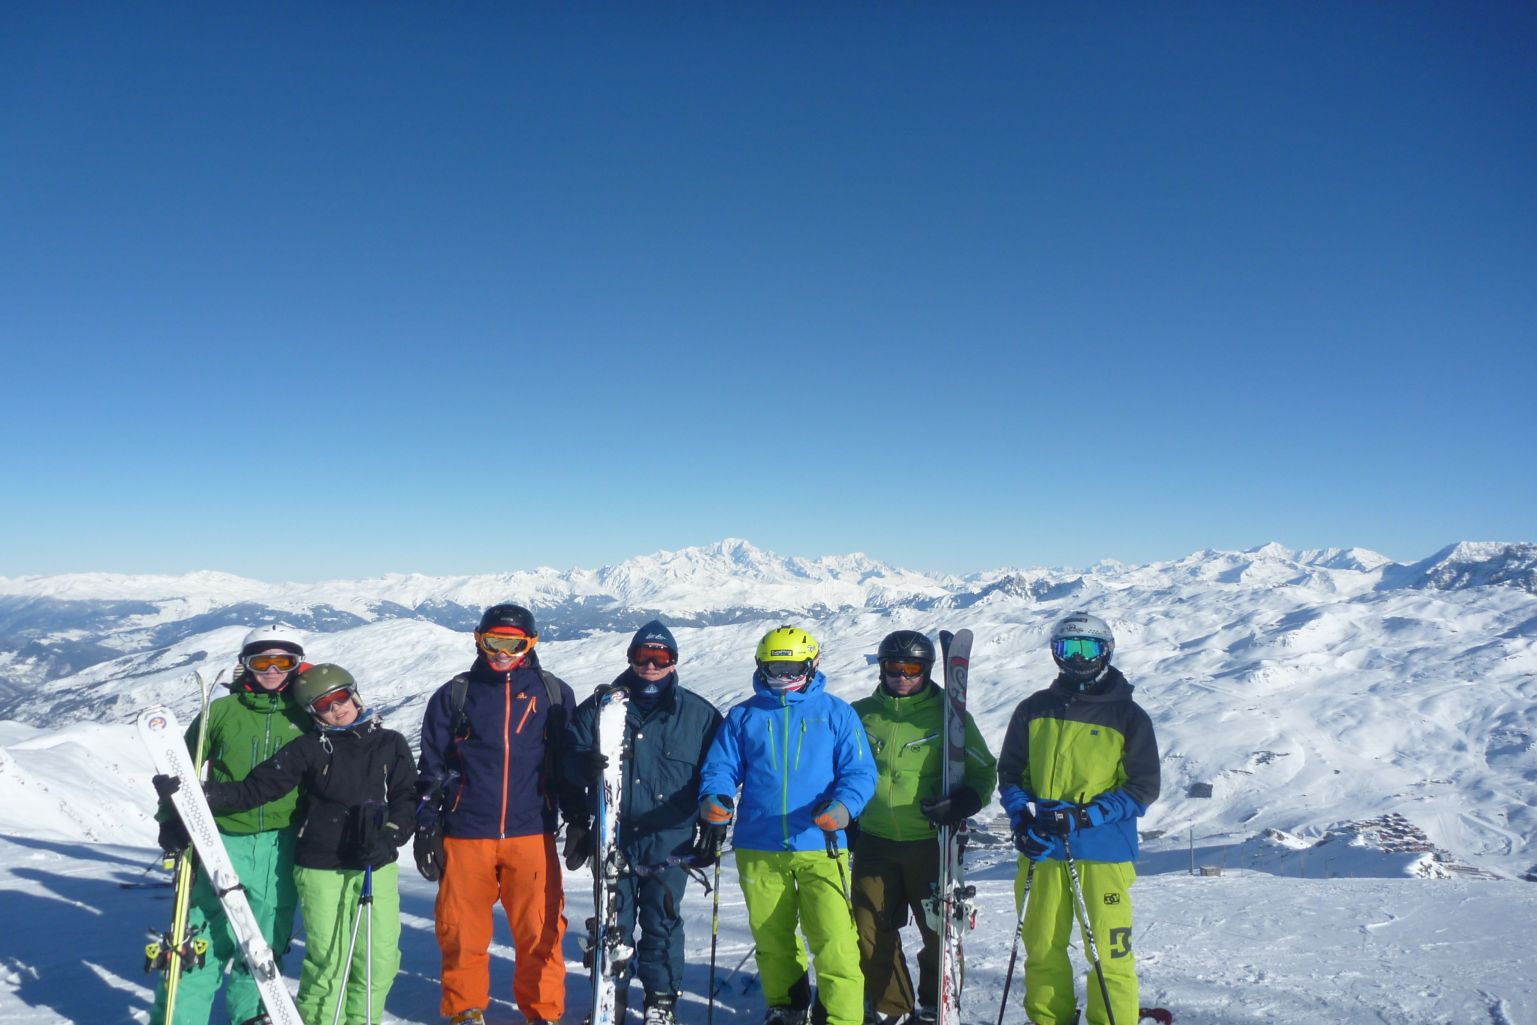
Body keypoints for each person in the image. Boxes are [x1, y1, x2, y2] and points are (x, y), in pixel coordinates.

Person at [160, 664, 418, 1025]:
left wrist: (391, 835)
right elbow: (257, 789)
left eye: (341, 698)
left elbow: (408, 796)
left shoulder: (390, 743)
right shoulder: (309, 748)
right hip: (321, 864)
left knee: (380, 958)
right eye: (324, 706)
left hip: (375, 860)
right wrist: (198, 793)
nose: (337, 709)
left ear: (355, 695)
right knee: (329, 960)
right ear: (314, 713)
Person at [696, 625, 877, 1025]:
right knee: (772, 937)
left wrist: (844, 808)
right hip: (759, 844)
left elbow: (860, 771)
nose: (781, 679)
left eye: (791, 669)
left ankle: (842, 1016)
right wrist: (716, 798)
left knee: (834, 938)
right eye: (772, 670)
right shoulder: (744, 715)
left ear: (812, 665)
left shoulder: (835, 713)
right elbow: (721, 767)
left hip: (821, 841)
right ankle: (787, 1005)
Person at [416, 603, 580, 1025]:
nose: (501, 653)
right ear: (478, 639)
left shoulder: (553, 694)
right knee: (460, 931)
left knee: (541, 931)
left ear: (531, 645)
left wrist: (579, 816)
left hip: (531, 832)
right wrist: (426, 824)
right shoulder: (455, 694)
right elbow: (432, 767)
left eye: (513, 643)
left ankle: (543, 1014)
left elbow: (566, 764)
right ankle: (465, 1010)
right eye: (493, 642)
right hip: (466, 832)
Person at [996, 612, 1161, 1025]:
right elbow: (1011, 774)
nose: (1078, 657)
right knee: (1042, 947)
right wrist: (1022, 821)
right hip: (1044, 850)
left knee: (1109, 952)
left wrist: (1087, 816)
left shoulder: (1129, 717)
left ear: (1106, 651)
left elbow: (1142, 787)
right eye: (1068, 648)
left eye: (1089, 647)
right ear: (1055, 653)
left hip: (1103, 853)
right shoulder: (1033, 709)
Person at [148, 625, 312, 1025]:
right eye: (261, 662)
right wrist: (171, 817)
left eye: (283, 662)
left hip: (282, 843)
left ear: (297, 666)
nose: (272, 670)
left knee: (262, 945)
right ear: (245, 665)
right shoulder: (221, 712)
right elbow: (178, 766)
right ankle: (180, 1017)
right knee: (201, 939)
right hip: (217, 839)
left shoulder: (308, 714)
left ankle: (253, 1015)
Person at [564, 620, 724, 1025]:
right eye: (642, 657)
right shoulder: (602, 708)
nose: (650, 666)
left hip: (670, 839)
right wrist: (581, 769)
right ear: (630, 659)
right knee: (613, 920)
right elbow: (567, 753)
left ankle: (661, 1000)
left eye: (660, 658)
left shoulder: (699, 716)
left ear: (673, 662)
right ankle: (609, 996)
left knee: (661, 921)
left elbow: (720, 771)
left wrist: (714, 819)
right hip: (613, 834)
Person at [850, 630, 997, 1025]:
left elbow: (984, 770)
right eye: (894, 668)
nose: (902, 676)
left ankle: (936, 1004)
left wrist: (964, 802)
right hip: (874, 839)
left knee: (939, 931)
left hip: (931, 842)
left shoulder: (950, 716)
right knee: (869, 928)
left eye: (912, 668)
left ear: (927, 670)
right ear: (881, 669)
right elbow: (842, 767)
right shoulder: (861, 713)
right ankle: (890, 1004)